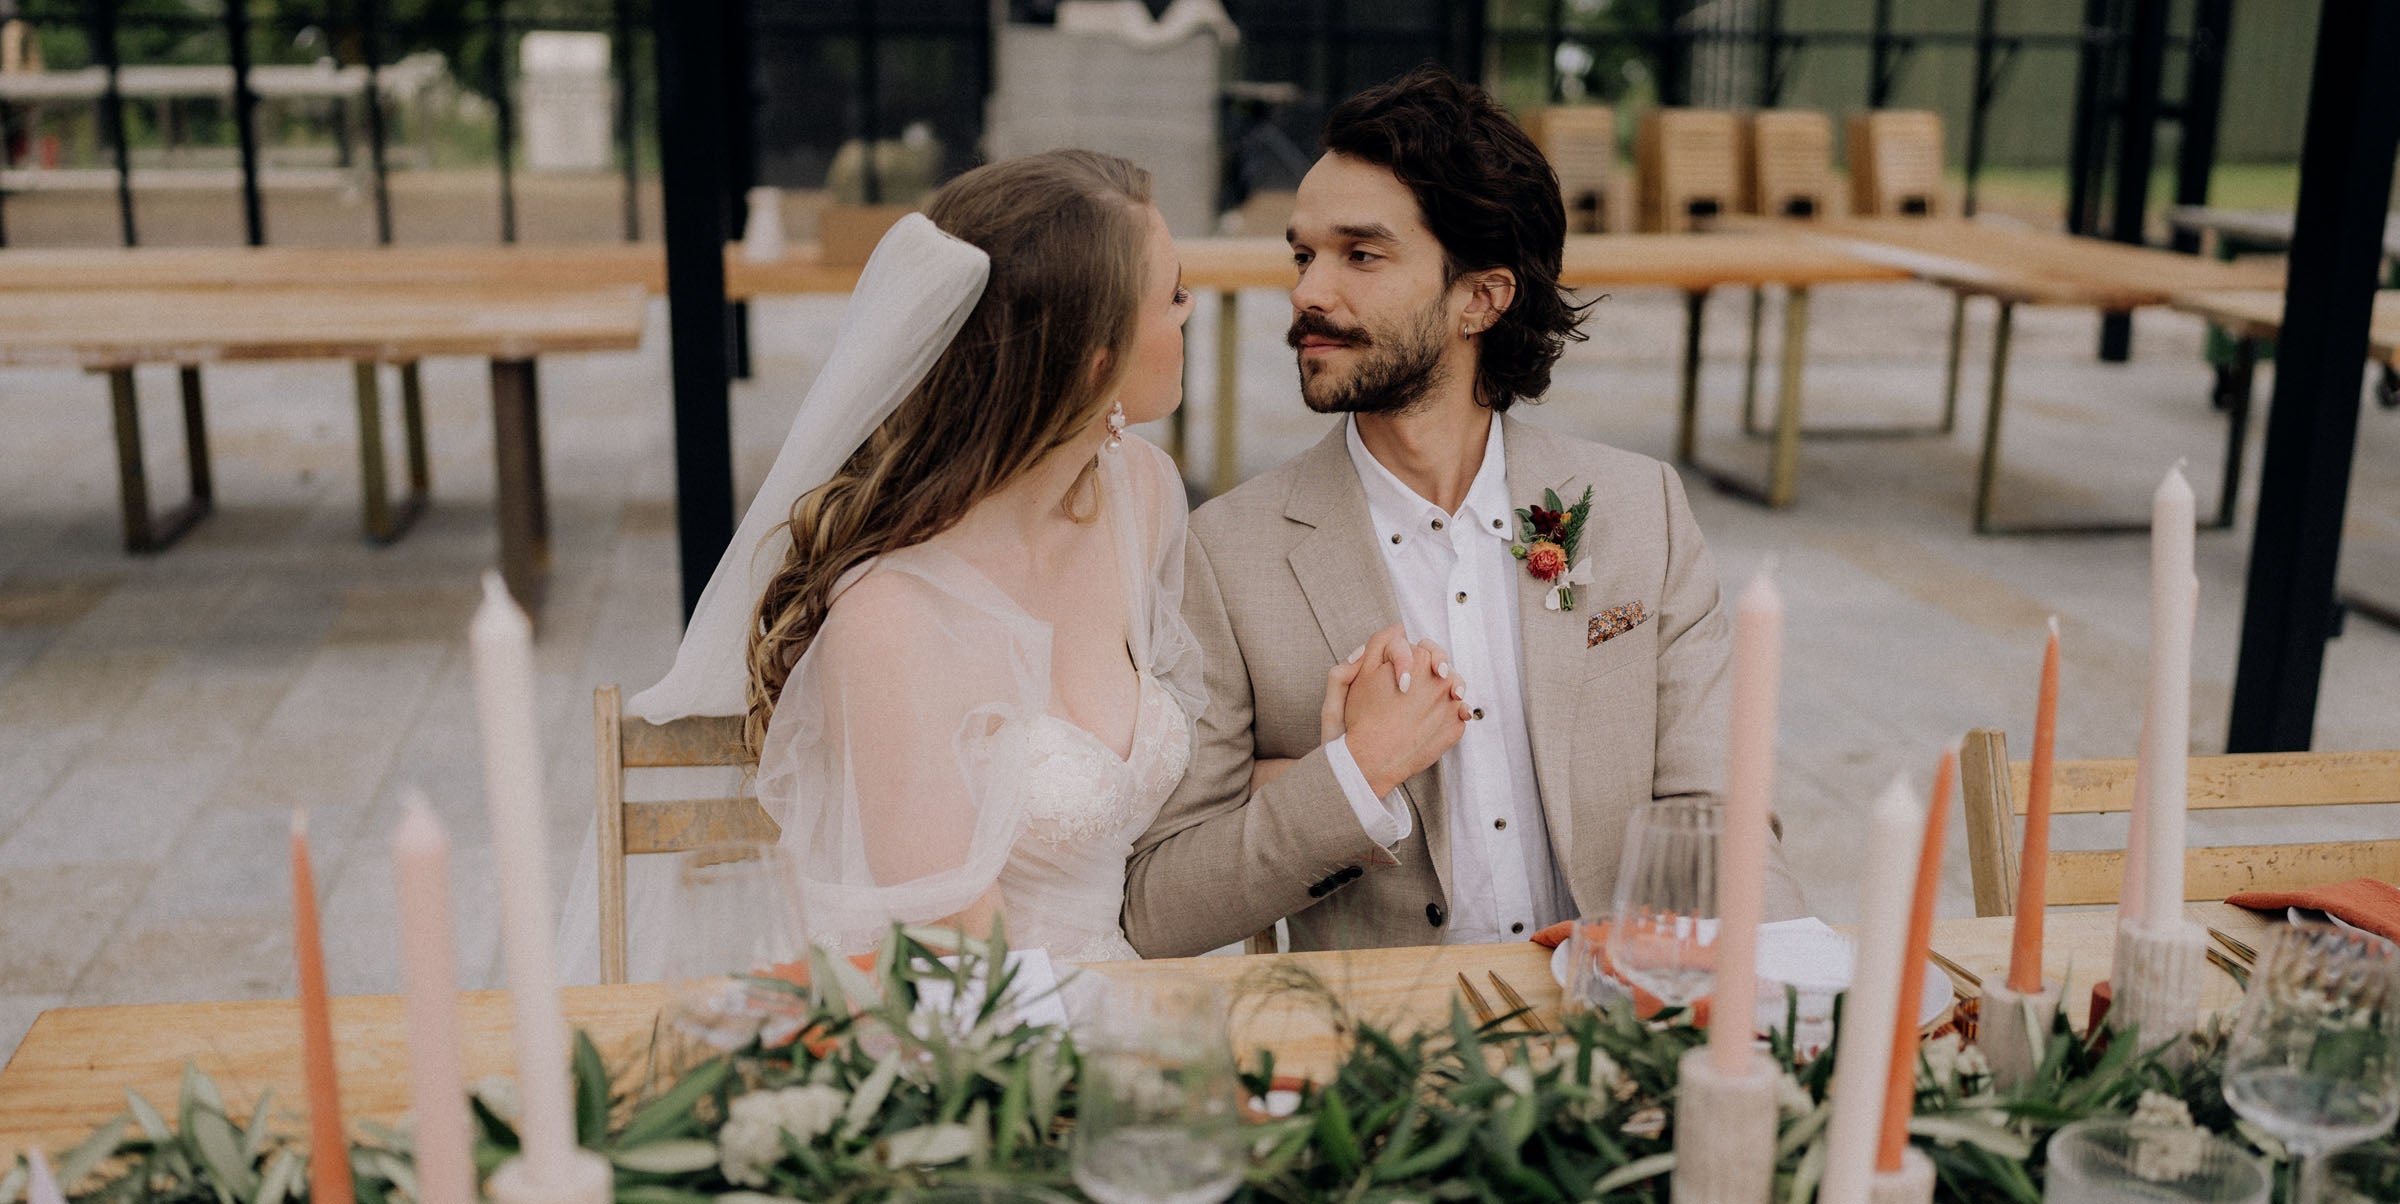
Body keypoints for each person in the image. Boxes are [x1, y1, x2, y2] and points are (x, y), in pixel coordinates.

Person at [605, 149, 1402, 971]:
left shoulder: (1143, 496)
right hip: (982, 1044)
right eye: (1170, 297)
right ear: (1094, 364)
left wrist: (1342, 763)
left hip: (1131, 994)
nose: (1191, 311)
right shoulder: (890, 621)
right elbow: (959, 968)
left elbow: (1165, 800)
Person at [1122, 65, 1808, 958]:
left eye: (1360, 255)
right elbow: (1160, 905)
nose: (1307, 293)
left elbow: (1721, 820)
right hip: (1386, 1062)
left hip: (1615, 1023)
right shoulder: (1228, 552)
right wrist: (1353, 777)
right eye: (1303, 255)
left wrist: (1793, 990)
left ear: (1481, 297)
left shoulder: (1639, 511)